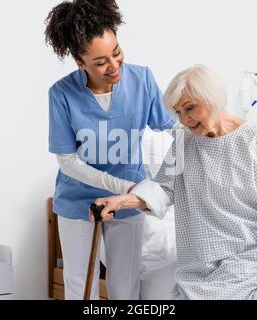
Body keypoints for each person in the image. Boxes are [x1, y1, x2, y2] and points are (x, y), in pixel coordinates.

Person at [92, 64, 257, 299]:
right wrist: (122, 200)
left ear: (212, 99)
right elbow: (162, 188)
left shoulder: (255, 142)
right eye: (178, 112)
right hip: (199, 264)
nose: (183, 119)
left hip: (253, 254)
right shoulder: (183, 142)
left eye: (190, 108)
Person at [45, 0, 175, 300]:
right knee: (81, 287)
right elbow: (67, 161)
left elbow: (173, 127)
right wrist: (126, 186)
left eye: (116, 53)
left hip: (129, 201)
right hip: (78, 199)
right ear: (80, 62)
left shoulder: (142, 80)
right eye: (100, 62)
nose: (114, 66)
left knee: (124, 285)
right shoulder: (61, 94)